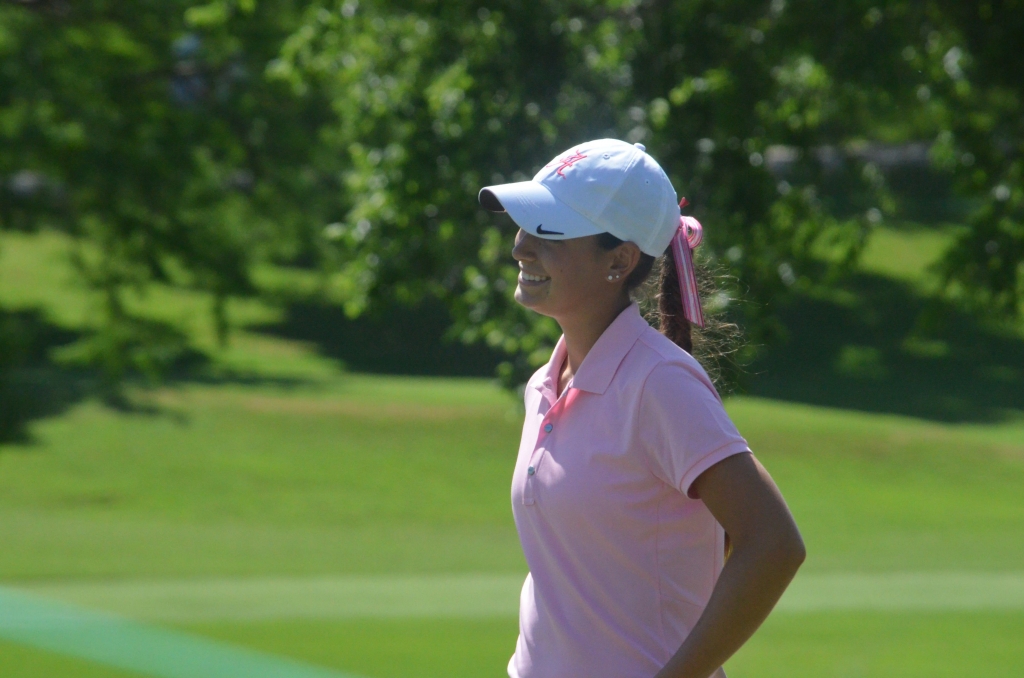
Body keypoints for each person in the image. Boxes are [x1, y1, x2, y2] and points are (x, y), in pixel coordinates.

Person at [478, 139, 806, 678]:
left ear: (620, 260)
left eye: (547, 231)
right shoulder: (545, 384)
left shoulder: (659, 381)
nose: (520, 247)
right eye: (523, 226)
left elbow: (772, 542)